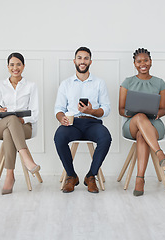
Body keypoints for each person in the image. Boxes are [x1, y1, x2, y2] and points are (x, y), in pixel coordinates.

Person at [54, 47, 111, 194]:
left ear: (90, 62)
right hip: (72, 123)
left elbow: (106, 109)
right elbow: (58, 109)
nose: (82, 61)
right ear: (74, 61)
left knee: (106, 137)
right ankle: (71, 176)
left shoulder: (99, 83)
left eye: (86, 58)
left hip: (92, 123)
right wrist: (62, 119)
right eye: (79, 58)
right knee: (59, 136)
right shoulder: (66, 84)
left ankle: (91, 176)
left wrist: (91, 111)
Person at [118, 48, 165, 197]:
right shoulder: (127, 82)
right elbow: (121, 109)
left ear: (151, 62)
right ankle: (159, 153)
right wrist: (136, 112)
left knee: (142, 135)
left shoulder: (160, 83)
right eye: (139, 61)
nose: (143, 64)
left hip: (154, 124)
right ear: (134, 64)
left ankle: (140, 179)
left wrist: (152, 113)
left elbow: (163, 110)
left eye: (146, 60)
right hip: (132, 124)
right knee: (140, 117)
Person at [0, 52, 40, 195]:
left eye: (18, 64)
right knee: (11, 119)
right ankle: (26, 158)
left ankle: (9, 176)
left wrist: (23, 120)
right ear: (7, 67)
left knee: (10, 131)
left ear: (23, 66)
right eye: (12, 65)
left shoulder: (31, 86)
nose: (15, 67)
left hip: (24, 126)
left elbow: (35, 112)